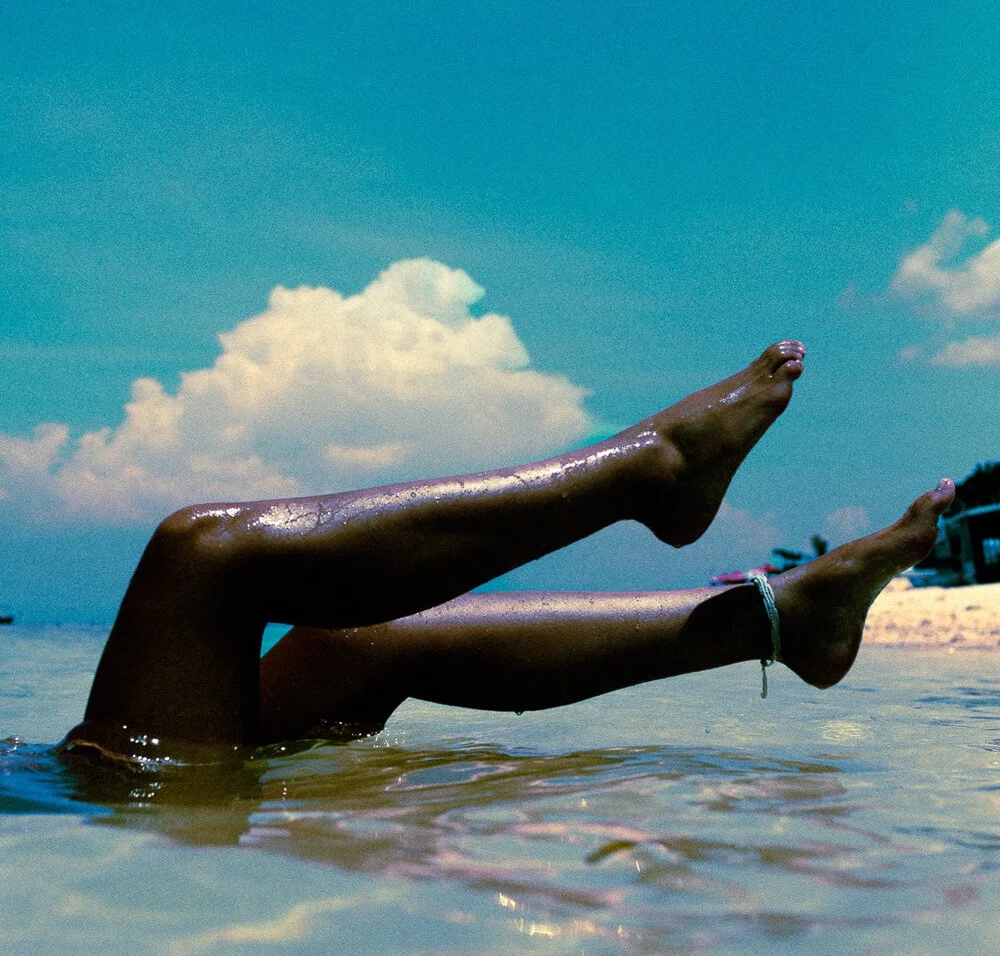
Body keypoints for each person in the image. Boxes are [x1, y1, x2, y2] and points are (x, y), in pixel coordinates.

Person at [61, 341, 955, 761]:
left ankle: (785, 619)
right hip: (101, 791)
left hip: (50, 780)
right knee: (207, 558)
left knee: (351, 641)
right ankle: (647, 471)